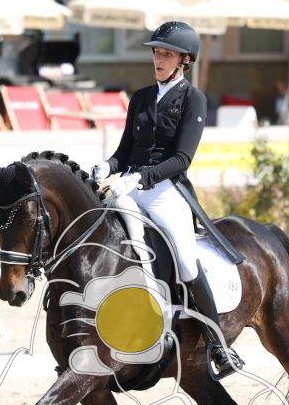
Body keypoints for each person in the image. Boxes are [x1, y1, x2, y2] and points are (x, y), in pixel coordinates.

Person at [89, 20, 247, 380]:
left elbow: (182, 159)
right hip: (128, 186)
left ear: (184, 60)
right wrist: (106, 166)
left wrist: (139, 178)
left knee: (186, 262)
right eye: (156, 53)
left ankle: (218, 345)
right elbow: (124, 151)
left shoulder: (194, 99)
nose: (158, 59)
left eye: (166, 54)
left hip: (165, 191)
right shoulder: (141, 97)